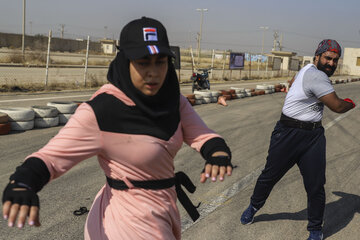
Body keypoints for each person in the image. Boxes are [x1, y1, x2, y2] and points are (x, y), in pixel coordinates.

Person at [2, 17, 233, 240]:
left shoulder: (172, 100)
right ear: (125, 62)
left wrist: (218, 154)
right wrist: (22, 183)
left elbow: (203, 136)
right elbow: (50, 157)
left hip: (162, 209)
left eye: (160, 62)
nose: (153, 72)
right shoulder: (102, 111)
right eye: (143, 63)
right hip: (126, 221)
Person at [240, 39, 356, 240]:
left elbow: (294, 81)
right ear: (317, 56)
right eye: (328, 58)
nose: (331, 63)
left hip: (313, 137)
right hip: (288, 134)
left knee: (315, 185)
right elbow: (337, 106)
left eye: (335, 60)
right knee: (270, 176)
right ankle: (254, 206)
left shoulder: (306, 69)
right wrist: (350, 104)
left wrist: (292, 87)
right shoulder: (316, 76)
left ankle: (315, 229)